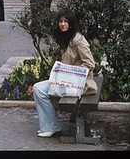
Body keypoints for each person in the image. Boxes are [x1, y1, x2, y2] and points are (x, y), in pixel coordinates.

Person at [32, 9, 97, 137]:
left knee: (39, 90)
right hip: (67, 81)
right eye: (60, 21)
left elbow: (90, 63)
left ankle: (51, 126)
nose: (62, 24)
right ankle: (50, 126)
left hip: (80, 84)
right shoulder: (68, 39)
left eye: (66, 21)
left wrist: (70, 72)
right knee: (37, 88)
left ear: (71, 23)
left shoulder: (78, 41)